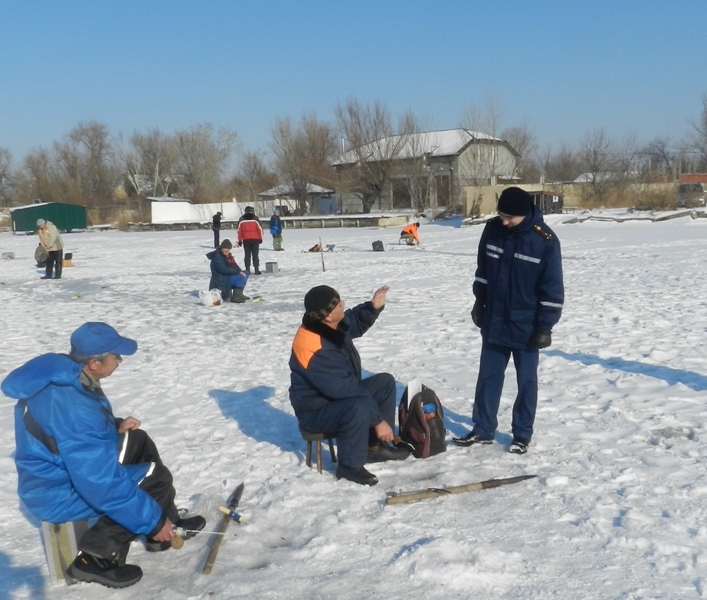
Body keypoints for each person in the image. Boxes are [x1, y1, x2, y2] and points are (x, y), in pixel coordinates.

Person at [1, 322, 205, 588]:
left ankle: (166, 526)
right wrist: (150, 521)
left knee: (137, 440)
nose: (119, 360)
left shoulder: (65, 373)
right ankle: (96, 557)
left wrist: (114, 426)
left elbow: (69, 437)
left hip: (63, 472)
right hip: (57, 491)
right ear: (95, 363)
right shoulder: (71, 406)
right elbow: (100, 482)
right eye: (115, 355)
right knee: (152, 476)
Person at [452, 187, 564, 454]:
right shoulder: (493, 230)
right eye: (501, 214)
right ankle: (483, 429)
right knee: (488, 377)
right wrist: (480, 301)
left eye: (509, 217)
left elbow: (553, 289)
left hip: (527, 325)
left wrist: (545, 326)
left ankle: (522, 434)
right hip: (495, 319)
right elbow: (483, 270)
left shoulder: (545, 241)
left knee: (526, 382)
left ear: (524, 215)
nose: (503, 221)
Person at [289, 285, 410, 486]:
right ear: (327, 316)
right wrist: (378, 420)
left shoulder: (326, 324)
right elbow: (345, 390)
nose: (343, 304)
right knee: (358, 406)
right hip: (315, 411)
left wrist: (373, 307)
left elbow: (352, 321)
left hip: (334, 399)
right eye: (337, 304)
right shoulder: (314, 347)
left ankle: (374, 447)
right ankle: (349, 466)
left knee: (384, 383)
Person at [206, 239, 250, 303]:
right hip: (220, 281)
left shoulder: (228, 256)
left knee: (246, 273)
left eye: (228, 249)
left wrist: (239, 271)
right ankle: (235, 296)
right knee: (241, 276)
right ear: (221, 248)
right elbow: (224, 269)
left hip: (226, 277)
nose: (227, 250)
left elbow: (235, 266)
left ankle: (239, 293)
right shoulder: (217, 257)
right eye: (225, 248)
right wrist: (238, 272)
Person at [237, 206, 263, 274]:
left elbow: (239, 231)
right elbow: (260, 229)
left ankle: (247, 269)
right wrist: (260, 238)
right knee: (255, 255)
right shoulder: (255, 219)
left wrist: (240, 240)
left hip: (246, 239)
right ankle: (256, 269)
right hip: (255, 239)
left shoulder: (242, 219)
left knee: (247, 255)